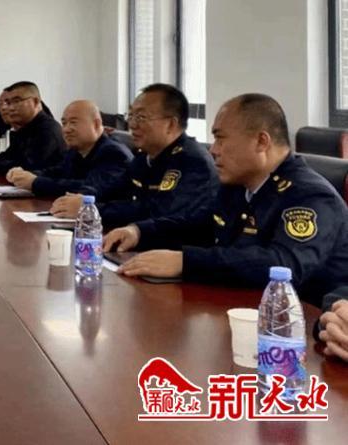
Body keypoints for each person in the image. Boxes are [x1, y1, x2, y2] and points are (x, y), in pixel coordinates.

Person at [103, 93, 348, 309]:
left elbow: (283, 265)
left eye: (221, 139)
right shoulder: (238, 186)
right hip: (241, 307)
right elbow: (199, 225)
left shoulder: (311, 196)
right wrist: (139, 232)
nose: (213, 150)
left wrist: (186, 262)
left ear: (261, 142)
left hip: (305, 327)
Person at [50, 84, 219, 230]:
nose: (132, 125)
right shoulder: (145, 156)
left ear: (171, 124)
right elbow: (113, 189)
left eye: (141, 117)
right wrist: (83, 199)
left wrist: (91, 210)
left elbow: (157, 212)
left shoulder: (192, 161)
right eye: (131, 116)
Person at [5, 100, 132, 198]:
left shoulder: (113, 153)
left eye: (73, 122)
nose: (66, 129)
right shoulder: (76, 150)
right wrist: (26, 175)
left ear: (96, 124)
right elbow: (58, 172)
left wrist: (35, 182)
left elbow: (89, 187)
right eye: (64, 123)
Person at [0, 81, 66, 175]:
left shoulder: (48, 130)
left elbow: (26, 167)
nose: (10, 108)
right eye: (9, 103)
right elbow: (8, 157)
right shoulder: (25, 128)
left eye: (16, 101)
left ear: (35, 101)